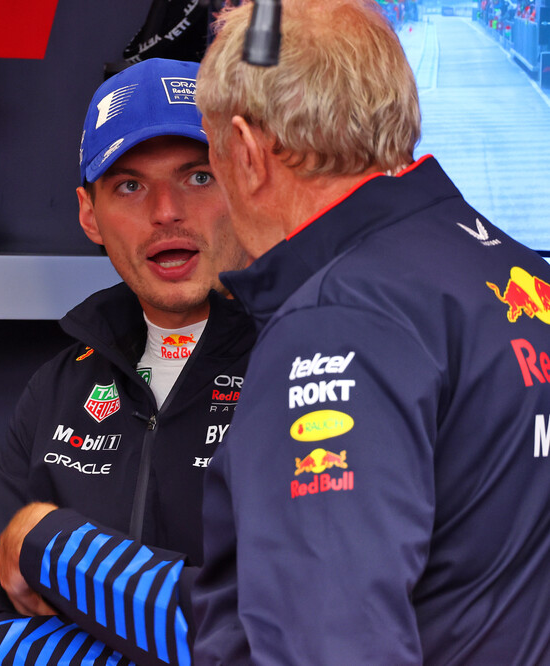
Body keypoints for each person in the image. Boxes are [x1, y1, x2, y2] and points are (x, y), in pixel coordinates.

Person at [192, 0, 550, 662]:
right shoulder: (520, 279)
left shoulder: (336, 322)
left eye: (209, 163)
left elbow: (330, 640)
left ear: (246, 150)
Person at [0, 58, 253, 665]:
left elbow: (268, 636)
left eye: (199, 177)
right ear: (88, 214)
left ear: (245, 181)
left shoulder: (300, 369)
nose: (165, 211)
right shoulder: (59, 387)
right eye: (129, 185)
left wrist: (51, 543)